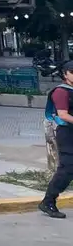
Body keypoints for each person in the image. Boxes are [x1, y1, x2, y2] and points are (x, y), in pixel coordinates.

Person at [40, 60, 73, 218]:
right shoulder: (61, 91)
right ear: (65, 74)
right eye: (72, 72)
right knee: (67, 169)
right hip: (67, 134)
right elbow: (63, 115)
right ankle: (48, 201)